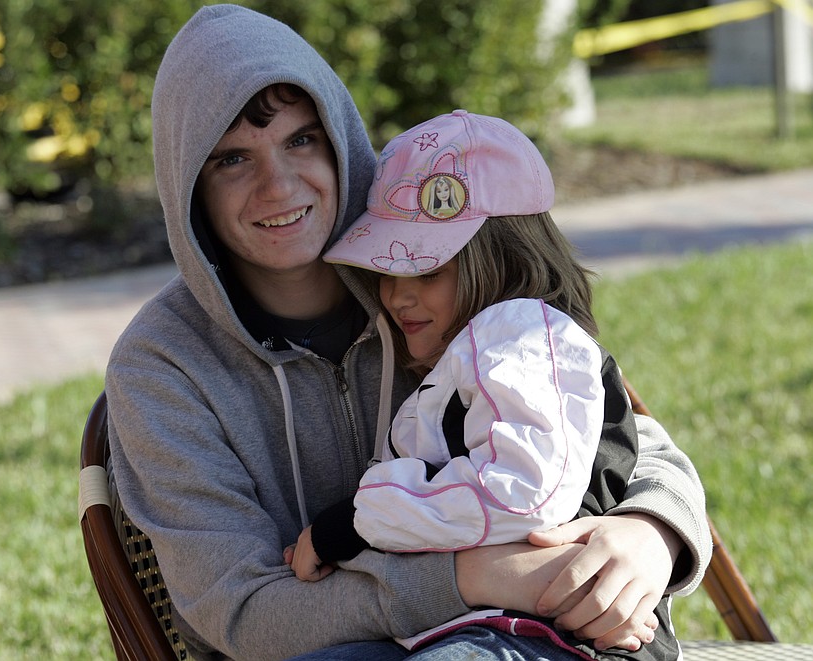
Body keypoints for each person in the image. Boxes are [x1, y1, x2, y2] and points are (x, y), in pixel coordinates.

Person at [104, 5, 711, 660]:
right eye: (231, 159)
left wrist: (652, 530)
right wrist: (473, 577)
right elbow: (243, 612)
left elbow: (615, 428)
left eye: (300, 140)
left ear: (338, 138)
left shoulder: (430, 278)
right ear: (187, 185)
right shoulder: (161, 366)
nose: (277, 185)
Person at [285, 110, 680, 660]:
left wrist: (355, 522)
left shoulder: (520, 332)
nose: (398, 297)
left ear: (504, 261)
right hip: (476, 623)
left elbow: (524, 494)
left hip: (564, 631)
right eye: (387, 272)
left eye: (428, 271)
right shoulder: (472, 356)